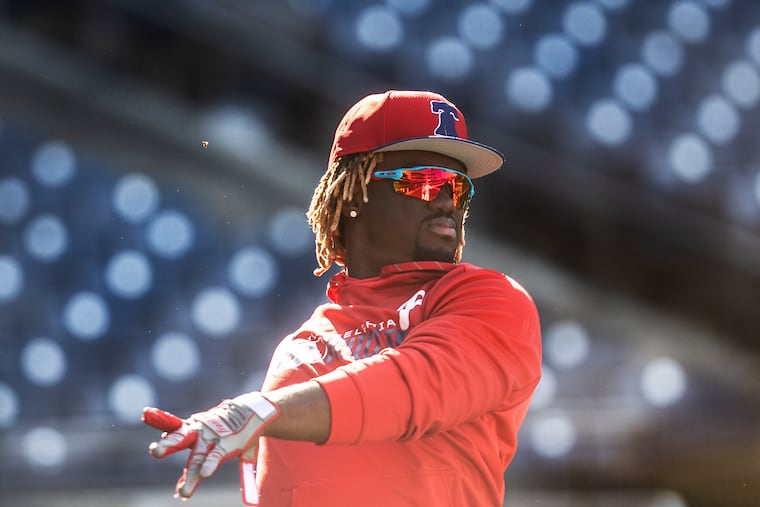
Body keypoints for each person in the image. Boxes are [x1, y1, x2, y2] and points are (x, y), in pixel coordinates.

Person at [143, 89, 543, 506]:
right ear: (353, 193)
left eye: (458, 189)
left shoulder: (493, 299)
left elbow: (414, 388)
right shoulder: (298, 349)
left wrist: (267, 412)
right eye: (423, 182)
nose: (446, 201)